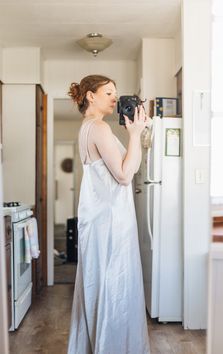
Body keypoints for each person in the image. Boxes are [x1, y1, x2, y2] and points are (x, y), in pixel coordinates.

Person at [67, 74, 150, 354]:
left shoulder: (89, 127)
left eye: (116, 93)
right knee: (115, 288)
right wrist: (135, 135)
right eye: (109, 92)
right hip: (110, 221)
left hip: (104, 218)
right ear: (91, 96)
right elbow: (126, 176)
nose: (116, 98)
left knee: (102, 286)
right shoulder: (99, 128)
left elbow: (131, 166)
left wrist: (136, 133)